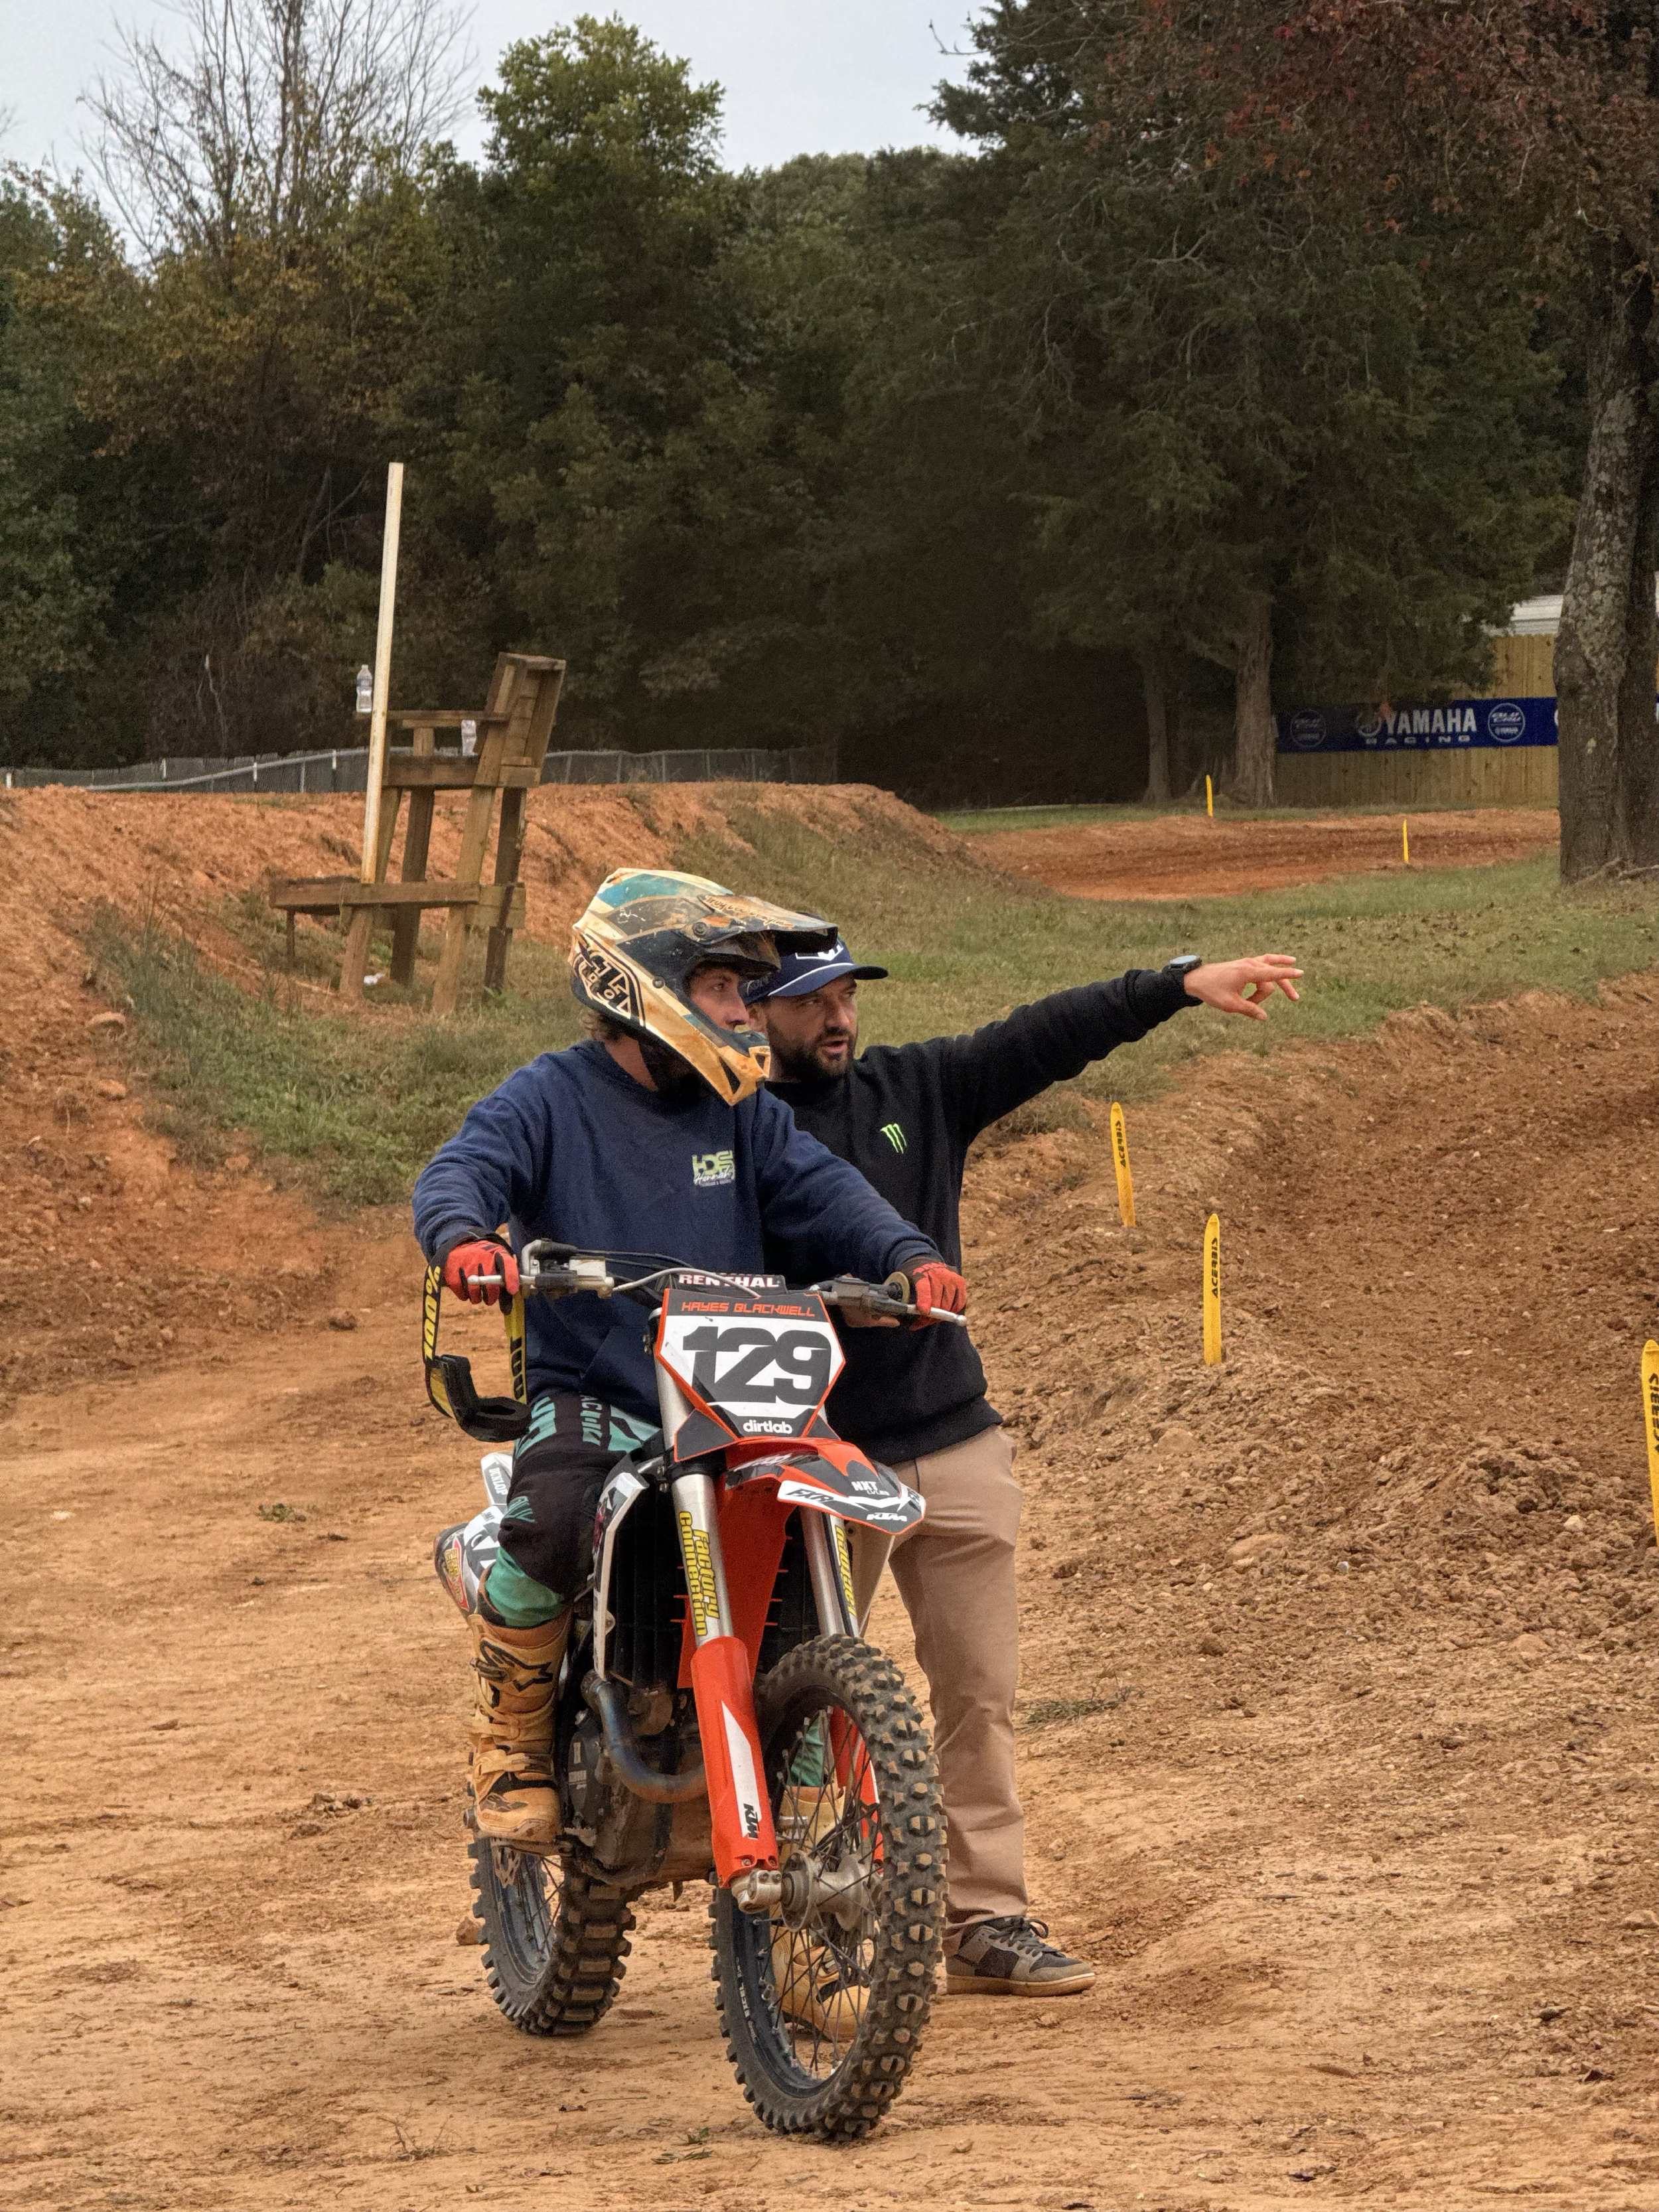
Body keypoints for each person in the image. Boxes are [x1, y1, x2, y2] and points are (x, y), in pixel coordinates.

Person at [749, 941, 1302, 1996]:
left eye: (846, 996)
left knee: (980, 1693)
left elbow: (1042, 1036)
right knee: (807, 1702)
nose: (836, 1017)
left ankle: (984, 1918)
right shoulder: (739, 1130)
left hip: (952, 1434)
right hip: (813, 1454)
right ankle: (803, 1927)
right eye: (808, 1001)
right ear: (756, 1016)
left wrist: (1174, 987)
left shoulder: (917, 1087)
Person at [411, 869, 966, 1895]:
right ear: (642, 984)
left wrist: (903, 1252)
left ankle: (808, 1842)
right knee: (555, 1504)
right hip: (600, 1386)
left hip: (731, 1397)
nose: (743, 1012)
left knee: (817, 1545)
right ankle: (512, 1739)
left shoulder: (741, 1113)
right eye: (721, 988)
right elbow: (463, 1167)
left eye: (743, 994)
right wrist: (466, 1237)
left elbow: (825, 1189)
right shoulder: (551, 1095)